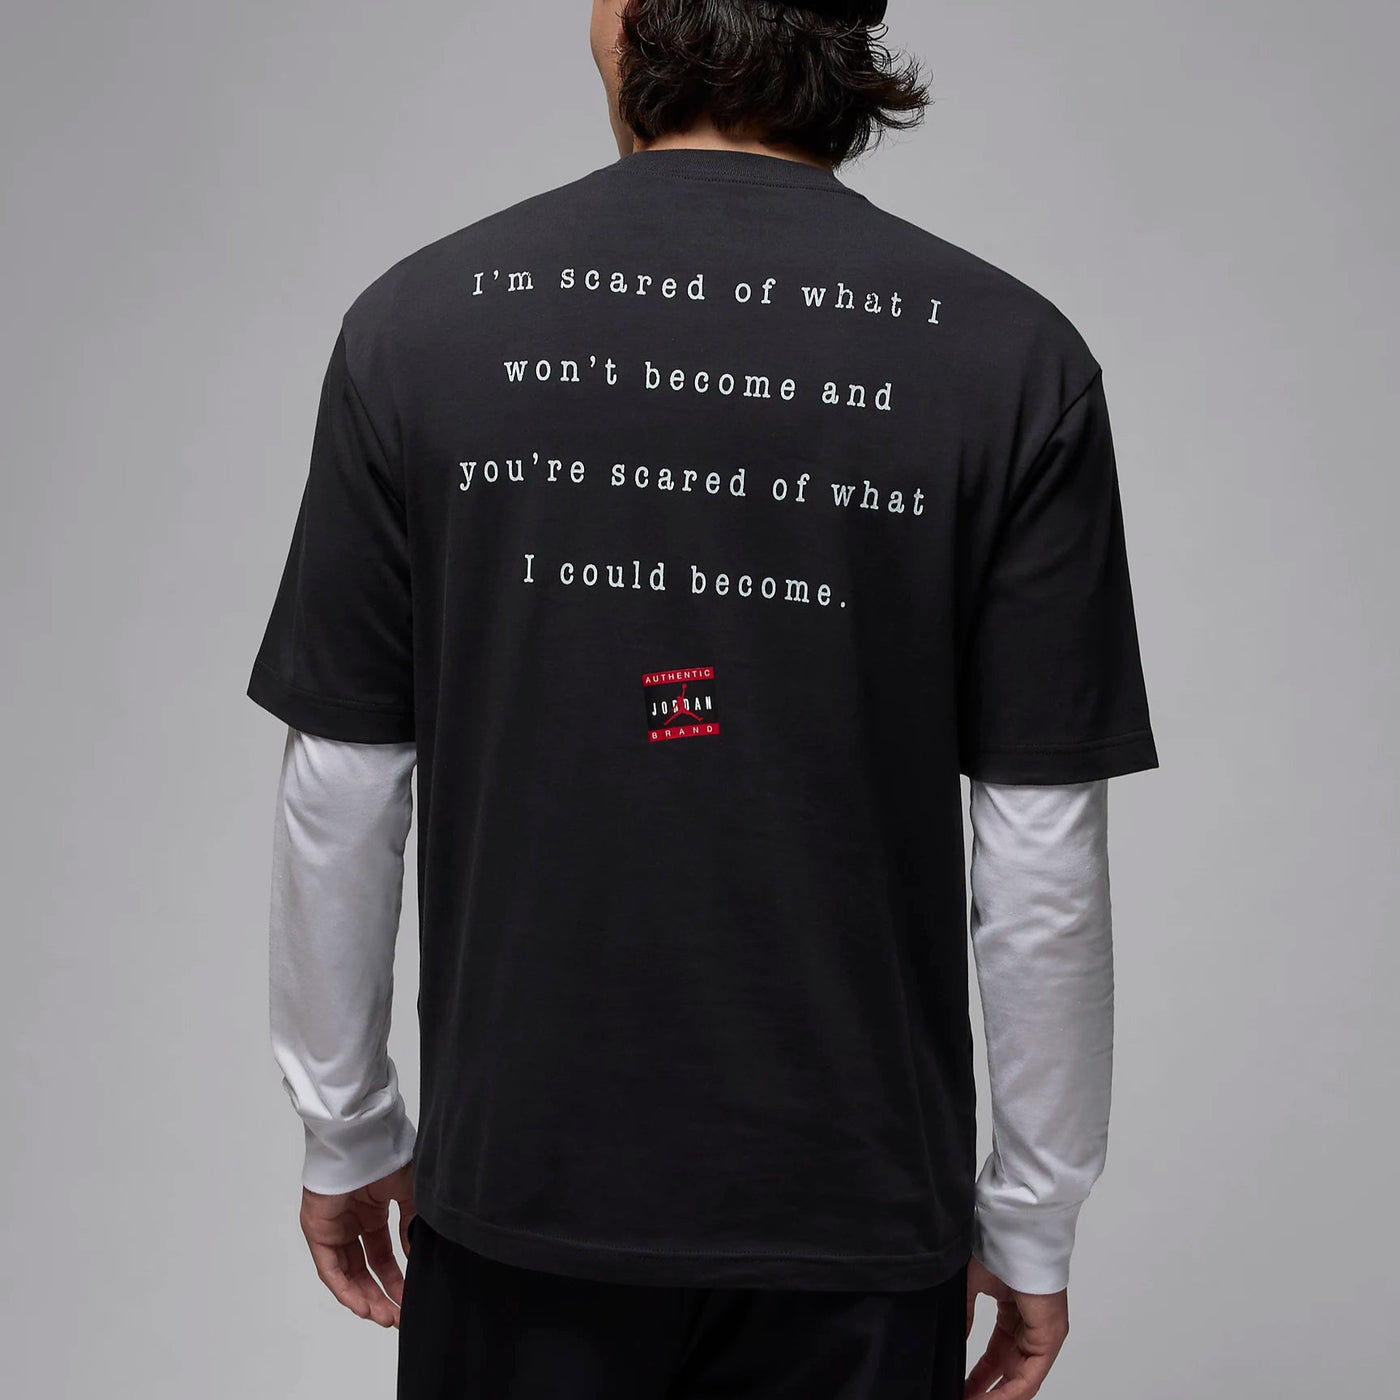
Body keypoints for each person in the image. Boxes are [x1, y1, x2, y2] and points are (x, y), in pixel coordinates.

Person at [246, 2, 1159, 1396]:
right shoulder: (1013, 357)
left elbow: (344, 784)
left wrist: (348, 1125)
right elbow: (1041, 848)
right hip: (856, 1219)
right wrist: (1032, 1213)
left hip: (522, 1193)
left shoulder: (418, 329)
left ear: (625, 24)